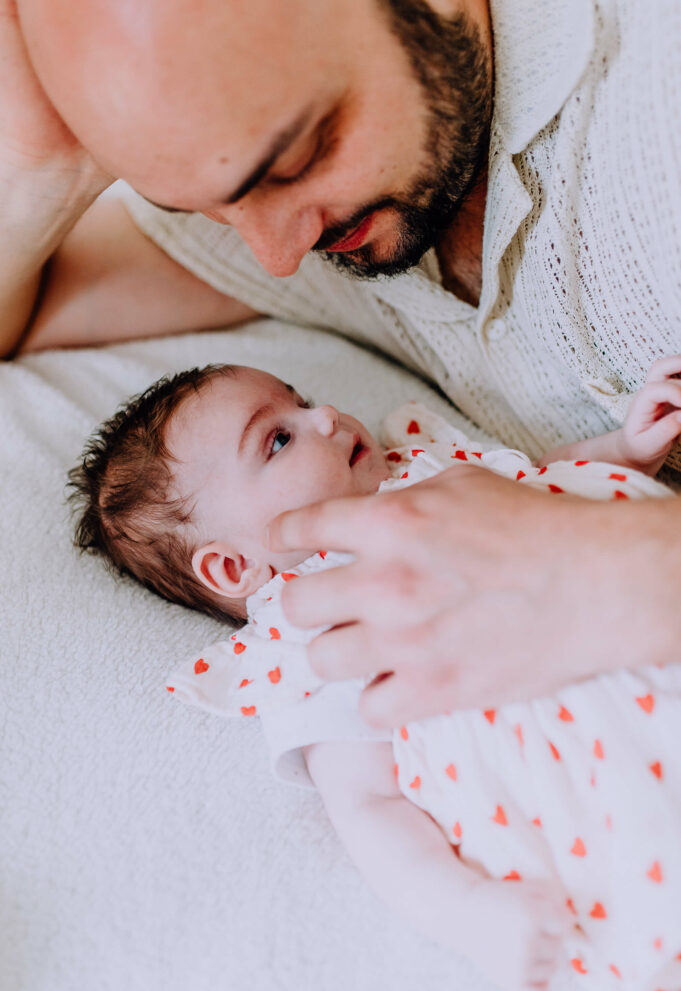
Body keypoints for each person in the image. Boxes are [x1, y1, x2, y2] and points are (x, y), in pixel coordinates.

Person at [3, 0, 681, 728]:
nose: (277, 254)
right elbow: (24, 316)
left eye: (295, 160)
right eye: (211, 211)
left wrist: (615, 569)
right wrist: (36, 175)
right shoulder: (297, 200)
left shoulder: (653, 95)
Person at [69, 360, 681, 991]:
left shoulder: (428, 469)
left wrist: (621, 451)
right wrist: (467, 911)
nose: (323, 417)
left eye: (300, 398)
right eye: (277, 440)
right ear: (233, 566)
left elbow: (537, 482)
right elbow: (368, 808)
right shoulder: (311, 633)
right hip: (596, 763)